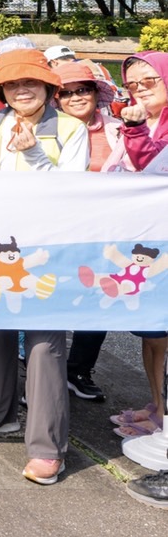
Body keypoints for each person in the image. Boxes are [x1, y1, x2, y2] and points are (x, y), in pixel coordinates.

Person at [0, 48, 87, 485]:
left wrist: (34, 155)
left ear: (49, 87)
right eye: (13, 84)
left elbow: (72, 191)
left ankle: (48, 447)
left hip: (48, 248)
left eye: (30, 82)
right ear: (3, 92)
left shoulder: (71, 128)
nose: (22, 90)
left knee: (43, 342)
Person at [51, 61, 122, 405]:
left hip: (104, 228)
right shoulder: (47, 129)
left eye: (84, 89)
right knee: (50, 297)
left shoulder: (119, 129)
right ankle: (43, 376)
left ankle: (79, 370)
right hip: (54, 229)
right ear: (56, 98)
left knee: (98, 300)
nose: (76, 97)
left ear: (96, 93)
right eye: (66, 92)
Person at [112, 52, 168, 436]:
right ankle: (158, 406)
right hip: (145, 243)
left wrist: (133, 133)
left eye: (149, 81)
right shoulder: (137, 120)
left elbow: (153, 172)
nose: (140, 90)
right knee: (152, 334)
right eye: (133, 85)